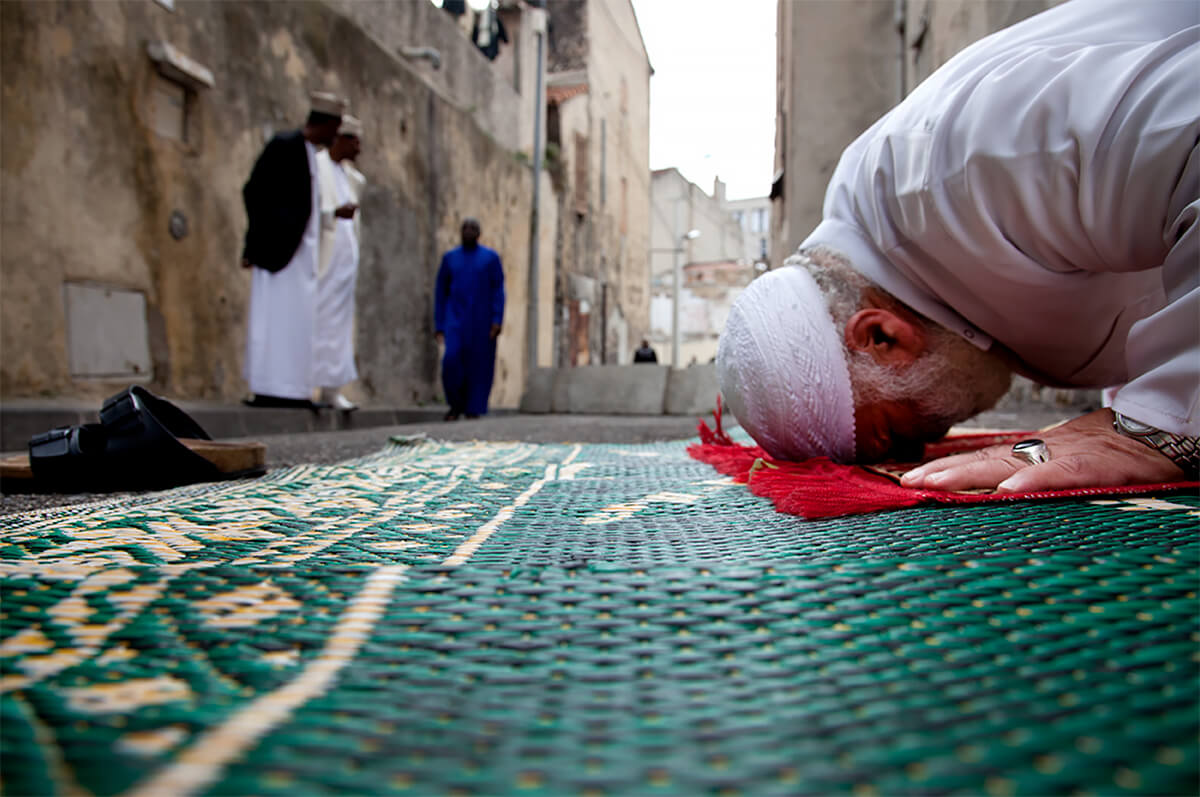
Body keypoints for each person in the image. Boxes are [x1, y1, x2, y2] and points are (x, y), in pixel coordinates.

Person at [717, 0, 1198, 494]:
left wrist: (1165, 420)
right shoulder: (937, 273)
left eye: (902, 432)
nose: (936, 439)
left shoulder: (957, 165)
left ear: (880, 336)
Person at [241, 91, 347, 409]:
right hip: (279, 252)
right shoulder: (284, 146)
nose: (336, 136)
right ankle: (270, 390)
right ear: (325, 124)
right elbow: (254, 191)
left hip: (301, 256)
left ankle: (294, 391)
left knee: (297, 324)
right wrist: (259, 239)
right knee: (274, 320)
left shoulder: (309, 154)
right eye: (336, 128)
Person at [313, 114, 365, 412]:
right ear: (341, 139)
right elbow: (309, 213)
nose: (359, 147)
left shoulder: (352, 177)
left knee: (340, 329)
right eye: (354, 140)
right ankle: (309, 388)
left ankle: (332, 390)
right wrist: (333, 213)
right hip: (323, 263)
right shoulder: (317, 166)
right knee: (317, 325)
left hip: (345, 267)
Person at [435, 218, 505, 421]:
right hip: (455, 319)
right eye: (465, 228)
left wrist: (497, 319)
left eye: (473, 228)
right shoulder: (450, 259)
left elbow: (498, 290)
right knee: (451, 360)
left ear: (479, 233)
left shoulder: (490, 259)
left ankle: (474, 407)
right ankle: (455, 404)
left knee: (479, 365)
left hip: (482, 321)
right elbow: (441, 293)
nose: (469, 232)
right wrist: (439, 325)